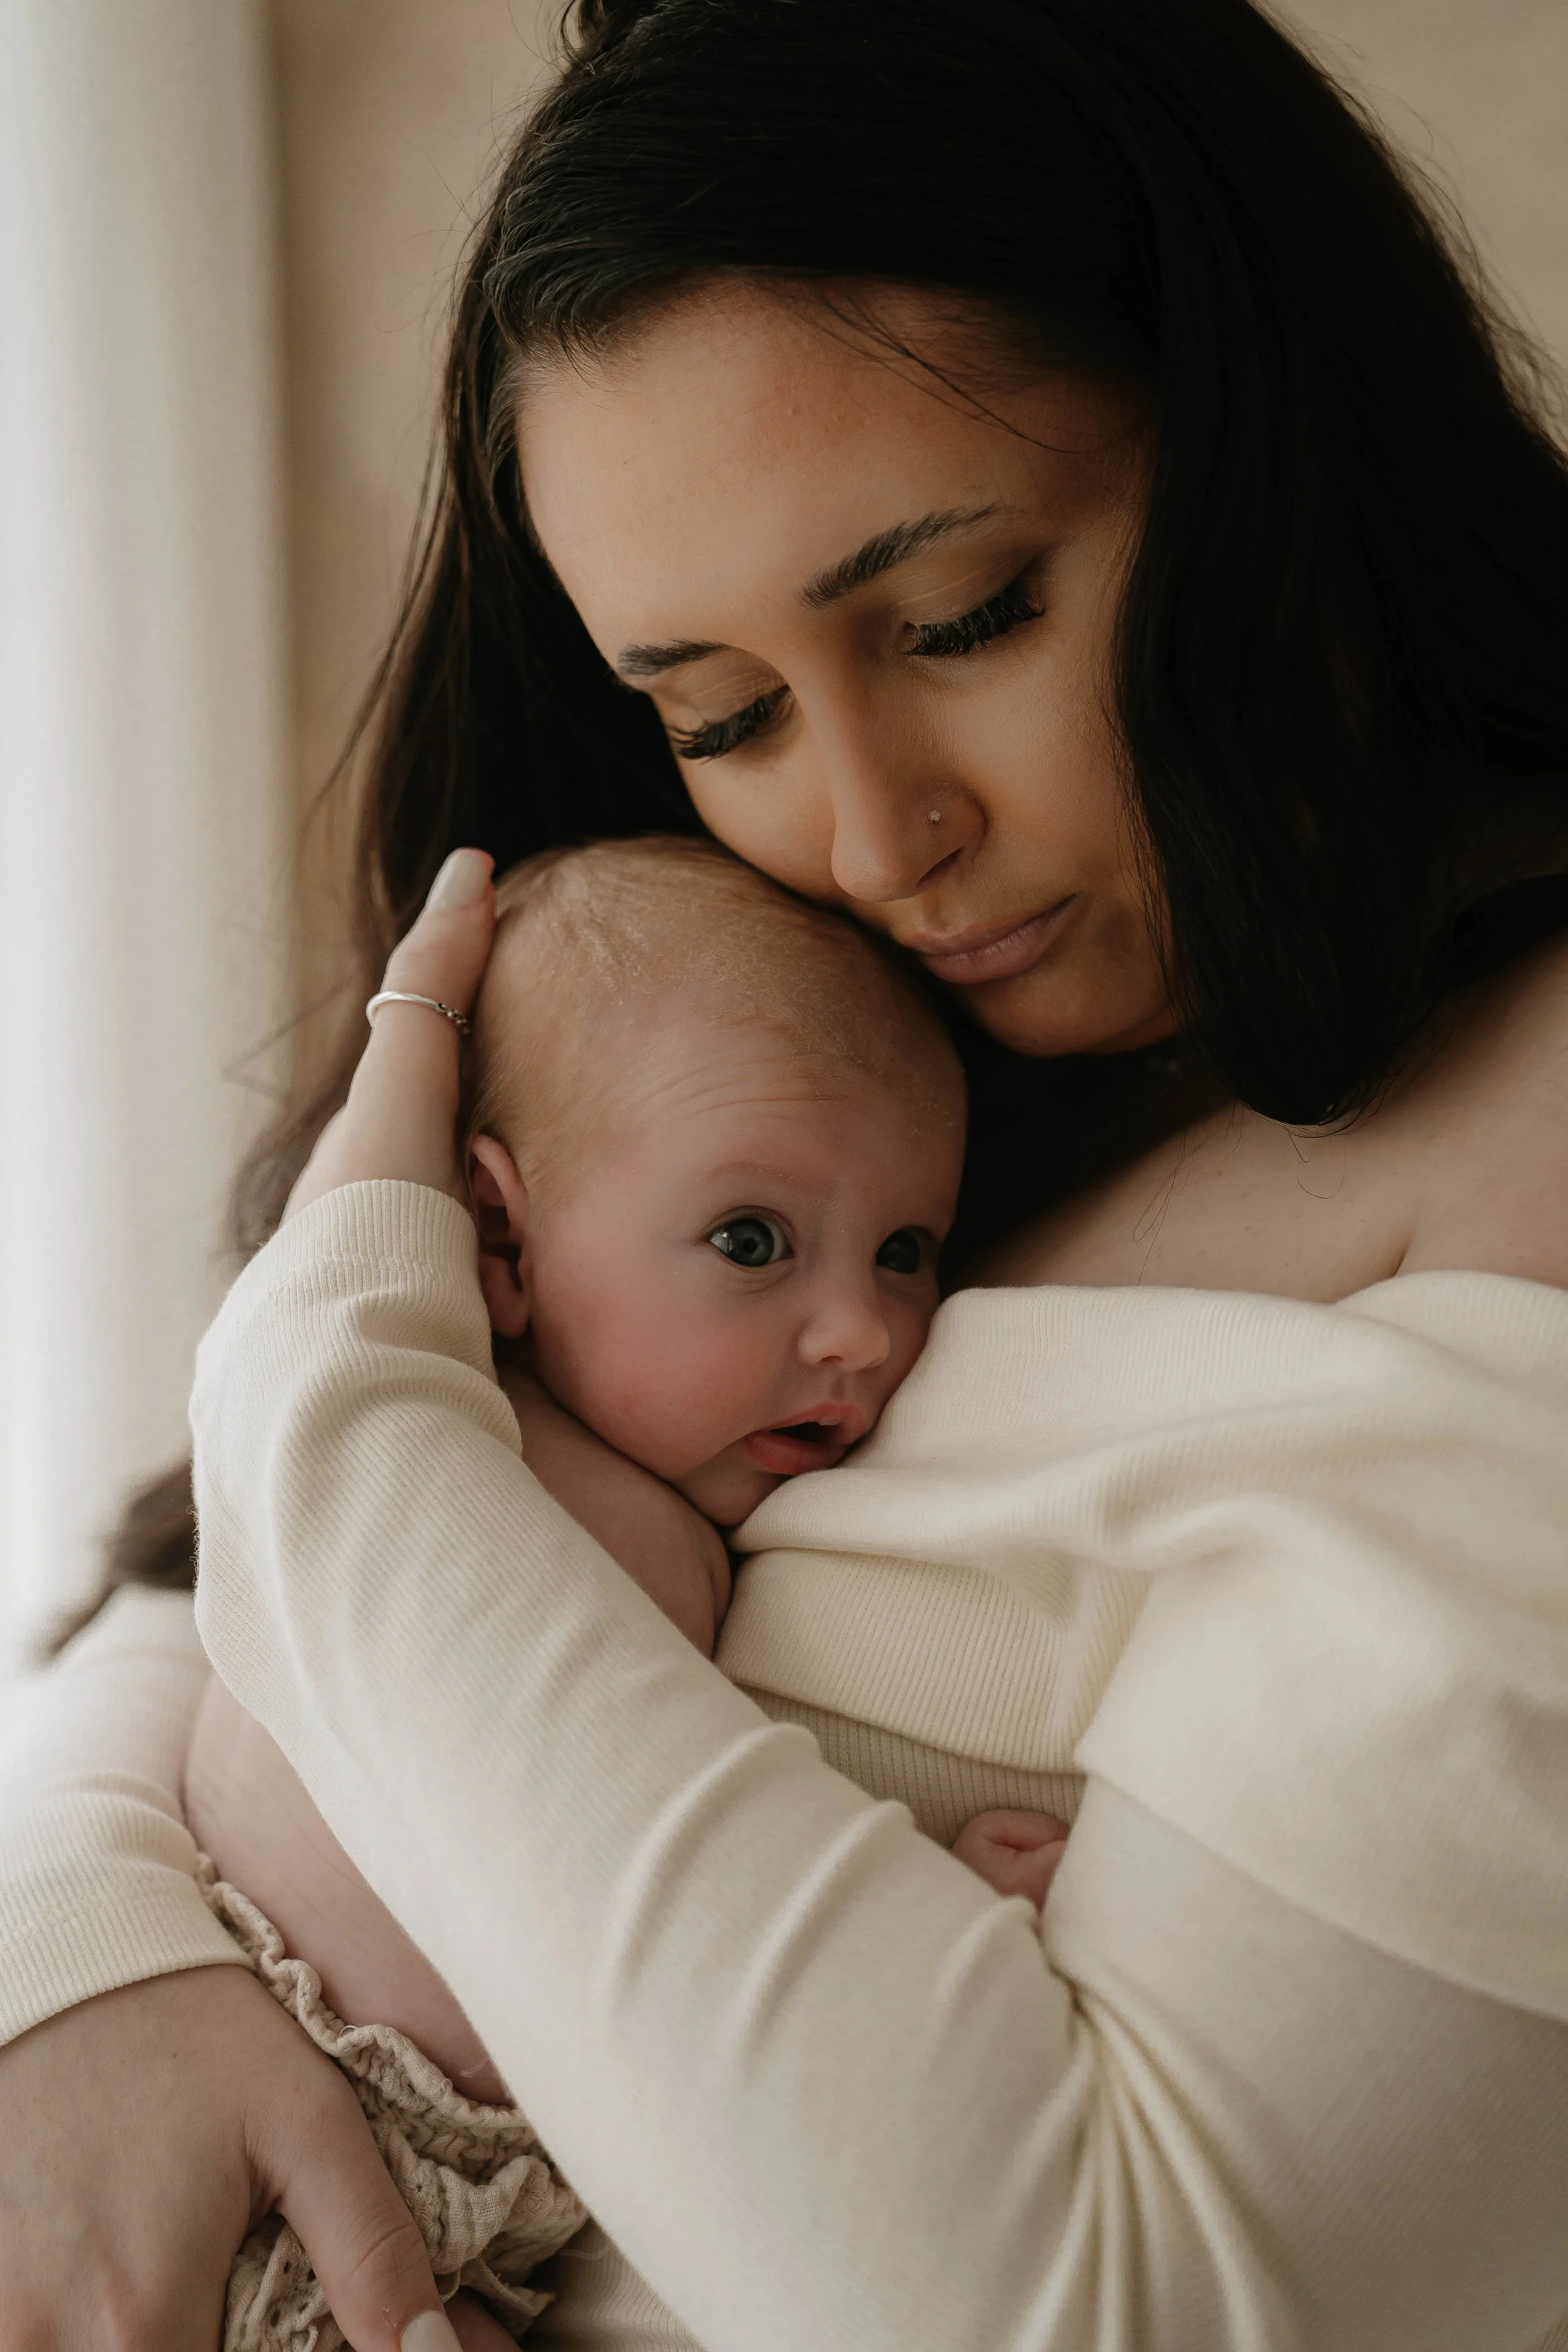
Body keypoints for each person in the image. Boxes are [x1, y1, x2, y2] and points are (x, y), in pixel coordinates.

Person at [3, 0, 1568, 2346]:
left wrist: (330, 1427)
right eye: (717, 714)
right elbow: (172, 1596)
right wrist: (79, 1954)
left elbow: (1090, 2304)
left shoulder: (1526, 1145)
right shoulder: (891, 1030)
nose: (867, 833)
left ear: (1277, 435)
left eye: (962, 619)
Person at [186, 835, 1068, 2344]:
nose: (859, 1329)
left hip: (462, 2213)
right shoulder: (450, 1444)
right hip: (277, 2116)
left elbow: (684, 1845)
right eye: (751, 1242)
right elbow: (337, 1307)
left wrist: (925, 1881)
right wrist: (414, 1030)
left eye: (903, 1249)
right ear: (496, 1234)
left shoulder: (682, 1516)